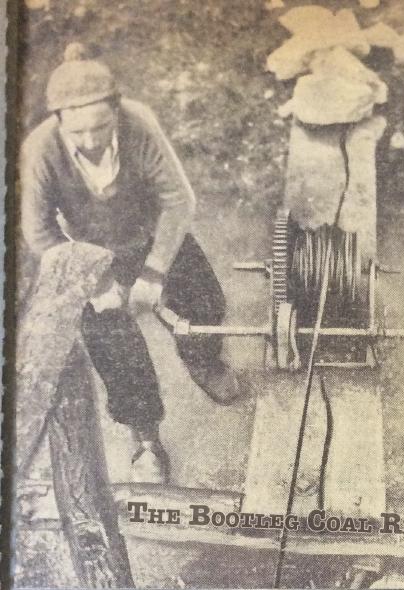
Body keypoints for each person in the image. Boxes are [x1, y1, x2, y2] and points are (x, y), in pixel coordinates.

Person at [20, 44, 241, 484]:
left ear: (116, 111)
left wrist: (154, 272)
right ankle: (146, 440)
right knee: (116, 352)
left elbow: (179, 201)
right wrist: (99, 284)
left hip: (149, 233)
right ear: (60, 121)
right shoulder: (41, 148)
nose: (90, 140)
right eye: (77, 132)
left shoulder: (139, 124)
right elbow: (39, 231)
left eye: (100, 127)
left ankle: (203, 362)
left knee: (205, 302)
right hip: (91, 255)